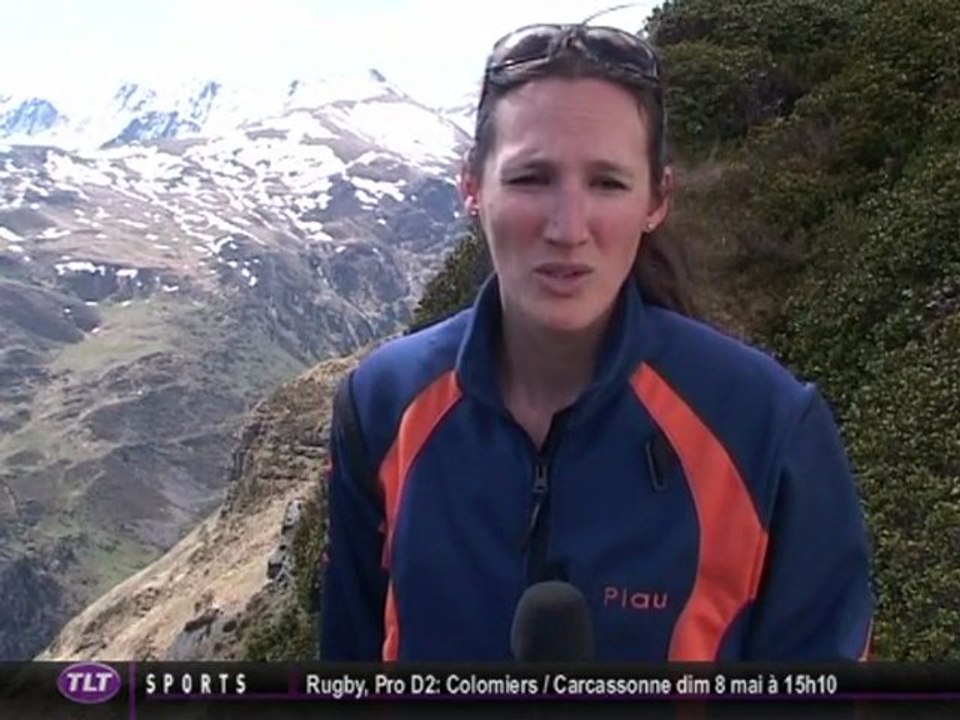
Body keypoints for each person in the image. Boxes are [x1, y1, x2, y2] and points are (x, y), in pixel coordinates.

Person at [319, 21, 874, 662]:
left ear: (656, 199)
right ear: (471, 186)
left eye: (608, 182)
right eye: (531, 178)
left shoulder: (768, 427)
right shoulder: (381, 405)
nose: (568, 226)